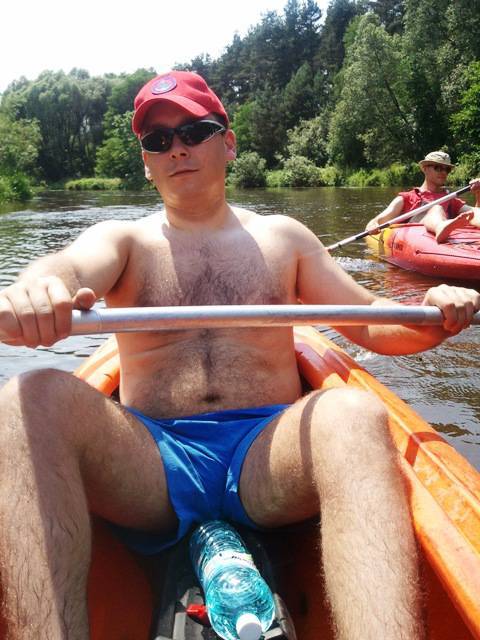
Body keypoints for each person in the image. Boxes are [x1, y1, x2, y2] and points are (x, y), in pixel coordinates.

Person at [0, 70, 479, 640]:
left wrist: (437, 314)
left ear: (227, 143)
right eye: (158, 140)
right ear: (147, 163)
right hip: (153, 465)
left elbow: (373, 321)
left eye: (193, 131)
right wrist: (39, 287)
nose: (177, 148)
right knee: (27, 400)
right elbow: (68, 266)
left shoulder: (285, 237)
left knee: (354, 413)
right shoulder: (122, 240)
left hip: (266, 460)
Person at [366, 151, 480, 242]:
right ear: (425, 168)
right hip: (418, 239)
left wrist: (478, 193)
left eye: (447, 169)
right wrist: (372, 226)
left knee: (474, 212)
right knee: (437, 208)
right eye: (438, 168)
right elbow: (377, 221)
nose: (444, 172)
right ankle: (441, 227)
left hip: (442, 237)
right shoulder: (406, 198)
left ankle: (444, 227)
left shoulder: (451, 199)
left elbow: (474, 213)